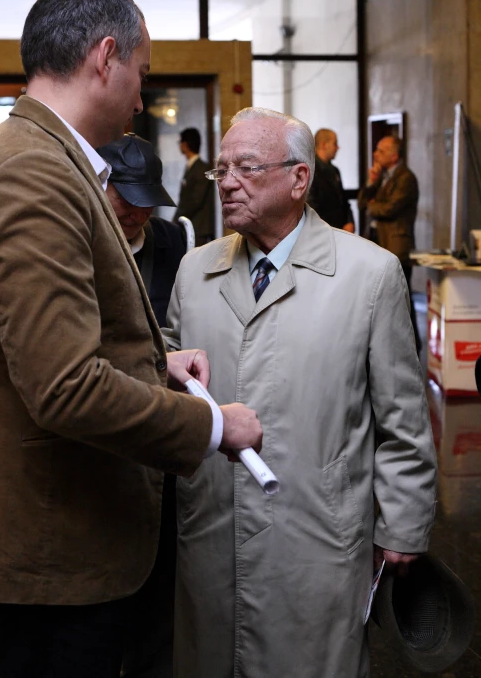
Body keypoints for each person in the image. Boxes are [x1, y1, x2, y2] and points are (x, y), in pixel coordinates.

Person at [0, 0, 262, 678]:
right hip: (60, 542)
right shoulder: (32, 174)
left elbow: (49, 342)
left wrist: (157, 366)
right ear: (105, 57)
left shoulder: (44, 160)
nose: (139, 98)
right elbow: (63, 385)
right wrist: (217, 428)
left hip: (60, 537)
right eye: (142, 75)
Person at [164, 107, 437, 678]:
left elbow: (402, 417)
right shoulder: (194, 272)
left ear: (298, 178)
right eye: (222, 170)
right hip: (213, 526)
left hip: (317, 534)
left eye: (246, 167)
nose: (229, 182)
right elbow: (160, 381)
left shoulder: (370, 275)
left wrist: (404, 523)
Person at [98, 132, 187, 678]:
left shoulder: (173, 243)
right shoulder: (77, 236)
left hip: (162, 434)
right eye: (124, 197)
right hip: (104, 432)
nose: (135, 211)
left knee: (161, 593)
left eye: (145, 198)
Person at [99, 132, 186, 327]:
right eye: (127, 200)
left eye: (147, 201)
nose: (138, 216)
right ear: (98, 186)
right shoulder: (73, 239)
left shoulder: (172, 240)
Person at [358, 135, 421, 352]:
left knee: (402, 296)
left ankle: (413, 346)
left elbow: (389, 209)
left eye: (381, 151)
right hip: (377, 241)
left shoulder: (406, 178)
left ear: (394, 156)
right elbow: (362, 201)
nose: (375, 155)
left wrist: (372, 205)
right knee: (380, 296)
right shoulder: (382, 177)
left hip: (396, 244)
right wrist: (371, 184)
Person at [173, 127, 214, 245]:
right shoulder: (193, 167)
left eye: (180, 142)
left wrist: (176, 219)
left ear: (185, 144)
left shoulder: (202, 169)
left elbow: (194, 201)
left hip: (198, 228)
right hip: (190, 227)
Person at [309, 127, 355, 231]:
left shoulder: (335, 170)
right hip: (322, 230)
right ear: (324, 145)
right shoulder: (312, 170)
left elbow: (343, 200)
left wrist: (349, 221)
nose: (338, 147)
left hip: (339, 229)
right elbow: (311, 205)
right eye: (335, 143)